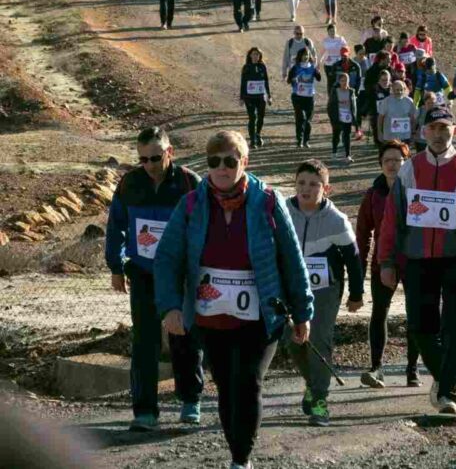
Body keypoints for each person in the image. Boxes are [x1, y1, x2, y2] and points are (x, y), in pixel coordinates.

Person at [154, 131, 313, 469]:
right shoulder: (192, 204)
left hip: (261, 315)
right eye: (214, 162)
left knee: (248, 381)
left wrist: (302, 312)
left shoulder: (269, 201)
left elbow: (292, 258)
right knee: (226, 387)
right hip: (211, 317)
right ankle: (237, 451)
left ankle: (241, 460)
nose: (222, 168)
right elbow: (167, 258)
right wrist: (169, 306)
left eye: (230, 161)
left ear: (244, 162)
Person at [378, 107, 456, 414]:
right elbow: (391, 219)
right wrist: (386, 261)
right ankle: (442, 377)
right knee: (420, 327)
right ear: (423, 132)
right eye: (433, 128)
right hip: (418, 260)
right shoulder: (409, 169)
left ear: (454, 131)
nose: (439, 134)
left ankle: (448, 393)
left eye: (445, 128)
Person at [105, 127, 203, 432]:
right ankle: (145, 411)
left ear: (170, 152)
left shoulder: (190, 183)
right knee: (144, 340)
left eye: (156, 157)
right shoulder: (130, 183)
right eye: (143, 159)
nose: (149, 164)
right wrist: (116, 267)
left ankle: (190, 400)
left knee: (183, 335)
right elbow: (116, 225)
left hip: (180, 275)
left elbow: (204, 227)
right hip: (143, 272)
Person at [285, 161, 364, 426]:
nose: (306, 189)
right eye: (301, 183)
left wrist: (356, 293)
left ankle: (320, 399)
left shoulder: (336, 219)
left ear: (326, 189)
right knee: (293, 340)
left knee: (319, 338)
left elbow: (353, 259)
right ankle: (312, 381)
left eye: (314, 184)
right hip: (290, 288)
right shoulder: (281, 211)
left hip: (325, 288)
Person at [358, 141, 423, 389]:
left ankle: (412, 369)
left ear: (406, 164)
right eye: (387, 160)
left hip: (413, 261)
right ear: (380, 164)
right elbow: (363, 233)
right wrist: (359, 272)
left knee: (414, 313)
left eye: (398, 160)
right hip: (382, 262)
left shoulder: (416, 191)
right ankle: (376, 368)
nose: (393, 165)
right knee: (379, 313)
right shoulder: (373, 195)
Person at [287, 48, 322, 149]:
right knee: (300, 118)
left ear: (309, 56)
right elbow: (289, 81)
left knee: (308, 120)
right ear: (300, 56)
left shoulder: (312, 67)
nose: (305, 57)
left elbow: (319, 79)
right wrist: (293, 79)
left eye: (307, 55)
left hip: (309, 97)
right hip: (297, 96)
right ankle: (299, 140)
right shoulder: (295, 67)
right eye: (303, 55)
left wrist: (317, 70)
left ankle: (306, 141)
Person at [239, 48, 271, 149]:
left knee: (261, 117)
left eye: (258, 55)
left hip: (261, 96)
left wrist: (269, 96)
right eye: (254, 54)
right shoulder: (246, 67)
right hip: (249, 97)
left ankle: (257, 134)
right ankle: (252, 140)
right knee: (252, 117)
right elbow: (243, 83)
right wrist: (241, 97)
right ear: (250, 56)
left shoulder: (262, 66)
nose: (256, 56)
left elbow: (266, 81)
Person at [377, 78, 419, 146]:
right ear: (392, 90)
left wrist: (413, 133)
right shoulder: (386, 101)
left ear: (404, 89)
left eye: (401, 90)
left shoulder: (409, 101)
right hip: (390, 137)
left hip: (405, 136)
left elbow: (413, 118)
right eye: (397, 90)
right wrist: (379, 132)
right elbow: (380, 118)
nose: (399, 92)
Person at [328, 72, 358, 163]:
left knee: (346, 136)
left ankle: (347, 155)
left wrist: (355, 120)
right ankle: (334, 153)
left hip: (347, 117)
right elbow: (330, 106)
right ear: (339, 81)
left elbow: (354, 107)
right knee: (336, 135)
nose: (344, 82)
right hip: (337, 117)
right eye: (342, 80)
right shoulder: (335, 91)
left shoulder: (351, 91)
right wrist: (332, 117)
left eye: (346, 80)